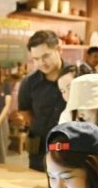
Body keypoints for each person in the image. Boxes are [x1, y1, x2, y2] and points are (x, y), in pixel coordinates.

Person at [17, 30, 66, 171]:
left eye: (45, 56)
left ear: (59, 49)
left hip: (69, 151)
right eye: (36, 59)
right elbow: (25, 112)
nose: (41, 63)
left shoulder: (76, 77)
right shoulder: (28, 83)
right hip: (39, 151)